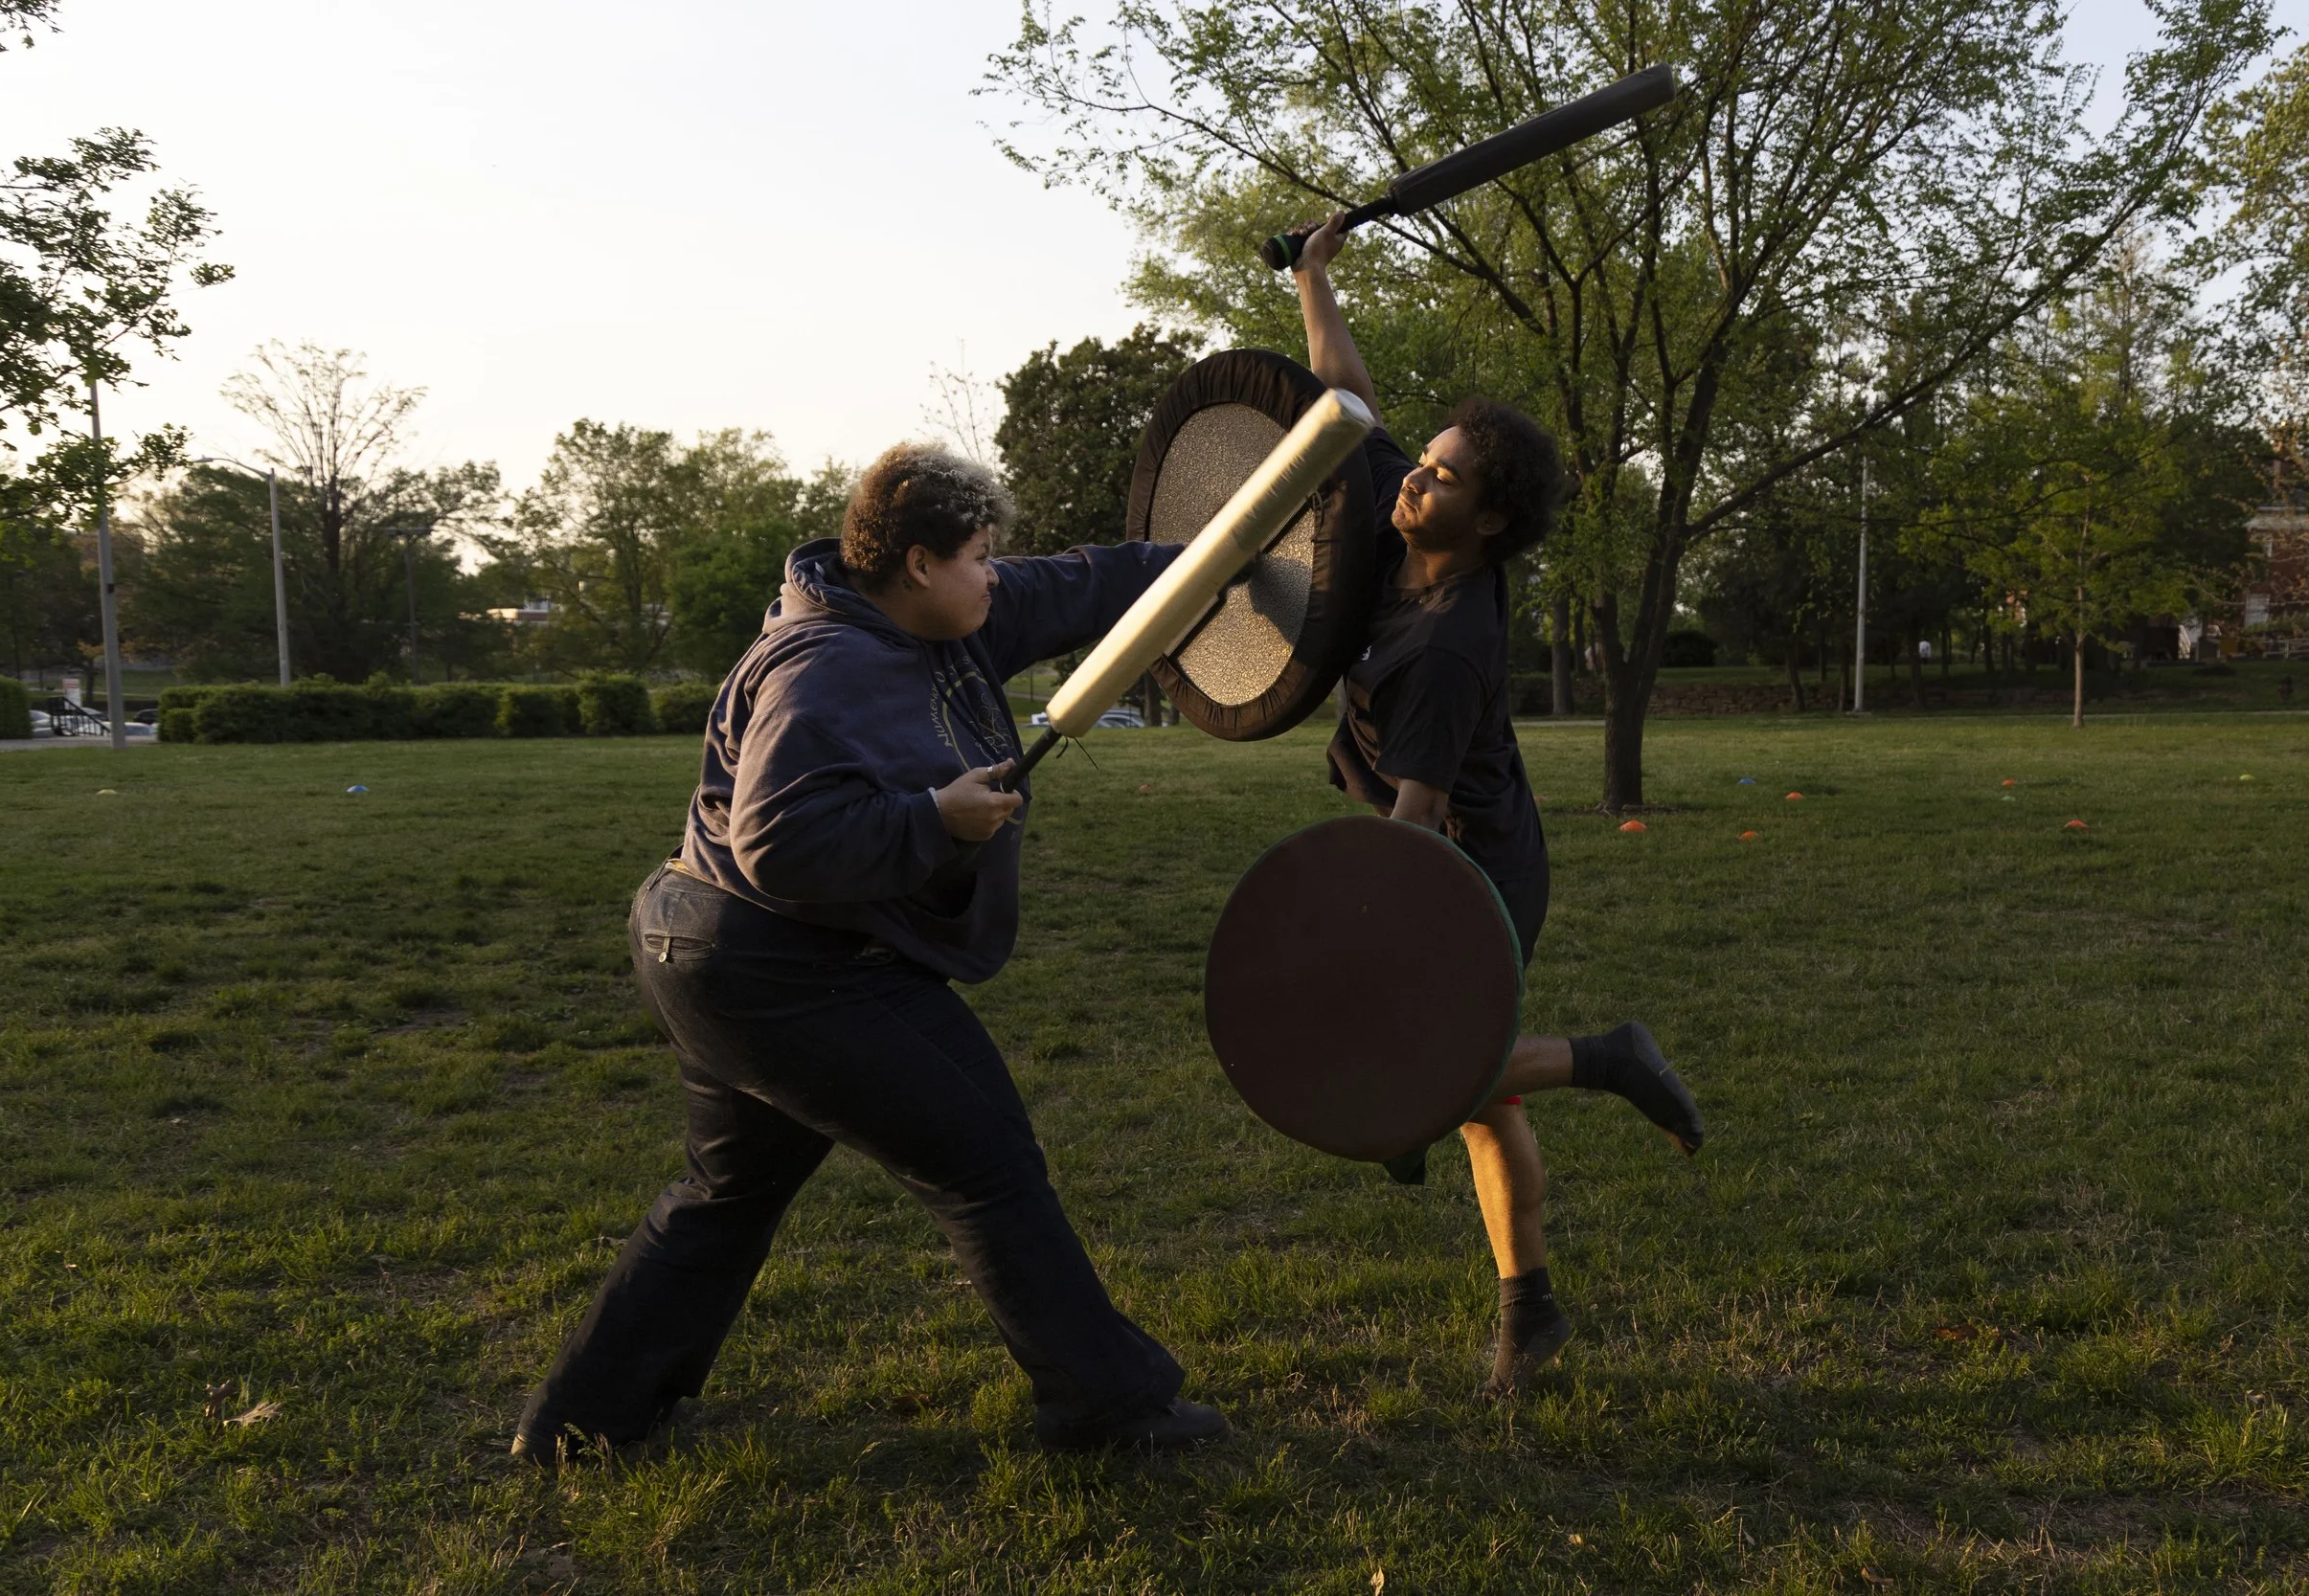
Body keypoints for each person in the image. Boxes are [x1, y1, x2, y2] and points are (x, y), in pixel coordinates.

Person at [512, 442, 1227, 1461]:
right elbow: (780, 841)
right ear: (920, 561)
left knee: (728, 1193)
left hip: (709, 941)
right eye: (980, 554)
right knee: (986, 1159)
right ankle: (1109, 1403)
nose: (996, 573)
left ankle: (581, 1423)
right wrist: (936, 820)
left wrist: (1224, 546)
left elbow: (1084, 581)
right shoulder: (828, 660)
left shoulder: (946, 612)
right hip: (771, 961)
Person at [1290, 214, 1708, 1394]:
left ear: (1491, 522)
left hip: (1467, 866)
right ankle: (1527, 1305)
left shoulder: (1447, 645)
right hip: (1438, 836)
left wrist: (1349, 948)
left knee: (1447, 1074)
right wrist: (1316, 281)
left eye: (1441, 477)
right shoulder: (1398, 527)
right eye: (1420, 463)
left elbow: (1410, 832)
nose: (1413, 477)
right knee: (1454, 1092)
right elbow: (1347, 403)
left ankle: (1600, 1058)